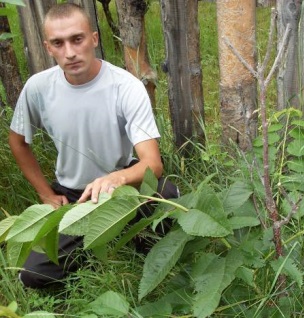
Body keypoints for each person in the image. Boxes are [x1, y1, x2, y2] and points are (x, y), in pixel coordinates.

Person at [8, 3, 177, 289]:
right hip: (73, 196)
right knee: (33, 276)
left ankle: (139, 242)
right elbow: (18, 142)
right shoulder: (38, 88)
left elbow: (153, 164)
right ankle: (88, 245)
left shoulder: (126, 86)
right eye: (58, 44)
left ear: (94, 39)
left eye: (77, 39)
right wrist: (46, 194)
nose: (70, 52)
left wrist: (115, 178)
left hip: (124, 186)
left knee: (167, 197)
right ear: (48, 48)